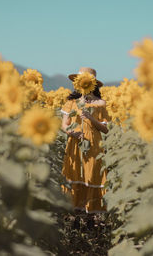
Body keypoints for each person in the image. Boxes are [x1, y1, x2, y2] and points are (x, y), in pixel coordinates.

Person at [60, 67, 111, 217]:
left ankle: (91, 219)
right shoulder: (71, 102)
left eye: (87, 82)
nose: (83, 85)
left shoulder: (100, 103)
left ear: (93, 84)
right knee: (76, 174)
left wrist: (91, 118)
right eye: (81, 82)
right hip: (75, 143)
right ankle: (74, 218)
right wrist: (71, 132)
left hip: (93, 144)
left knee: (92, 175)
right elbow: (64, 125)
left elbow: (105, 129)